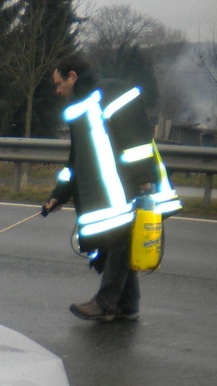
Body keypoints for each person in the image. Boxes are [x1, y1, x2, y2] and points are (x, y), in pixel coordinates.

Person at [42, 53, 180, 323]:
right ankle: (127, 304)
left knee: (118, 241)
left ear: (73, 76)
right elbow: (76, 161)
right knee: (114, 242)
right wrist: (58, 196)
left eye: (60, 83)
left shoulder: (115, 95)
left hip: (132, 187)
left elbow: (137, 141)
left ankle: (105, 302)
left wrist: (144, 183)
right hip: (109, 194)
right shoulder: (80, 110)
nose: (58, 91)